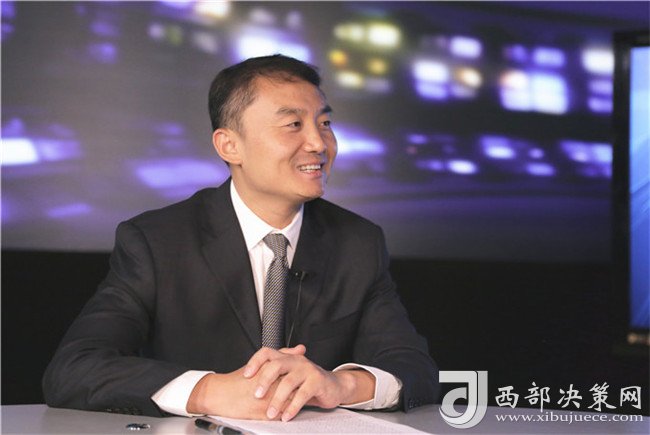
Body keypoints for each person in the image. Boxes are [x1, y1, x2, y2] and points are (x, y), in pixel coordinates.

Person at [42, 54, 439, 421]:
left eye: (324, 123)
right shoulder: (157, 242)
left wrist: (339, 384)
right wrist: (209, 391)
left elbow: (414, 368)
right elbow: (73, 368)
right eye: (293, 125)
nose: (319, 144)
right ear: (229, 145)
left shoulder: (359, 242)